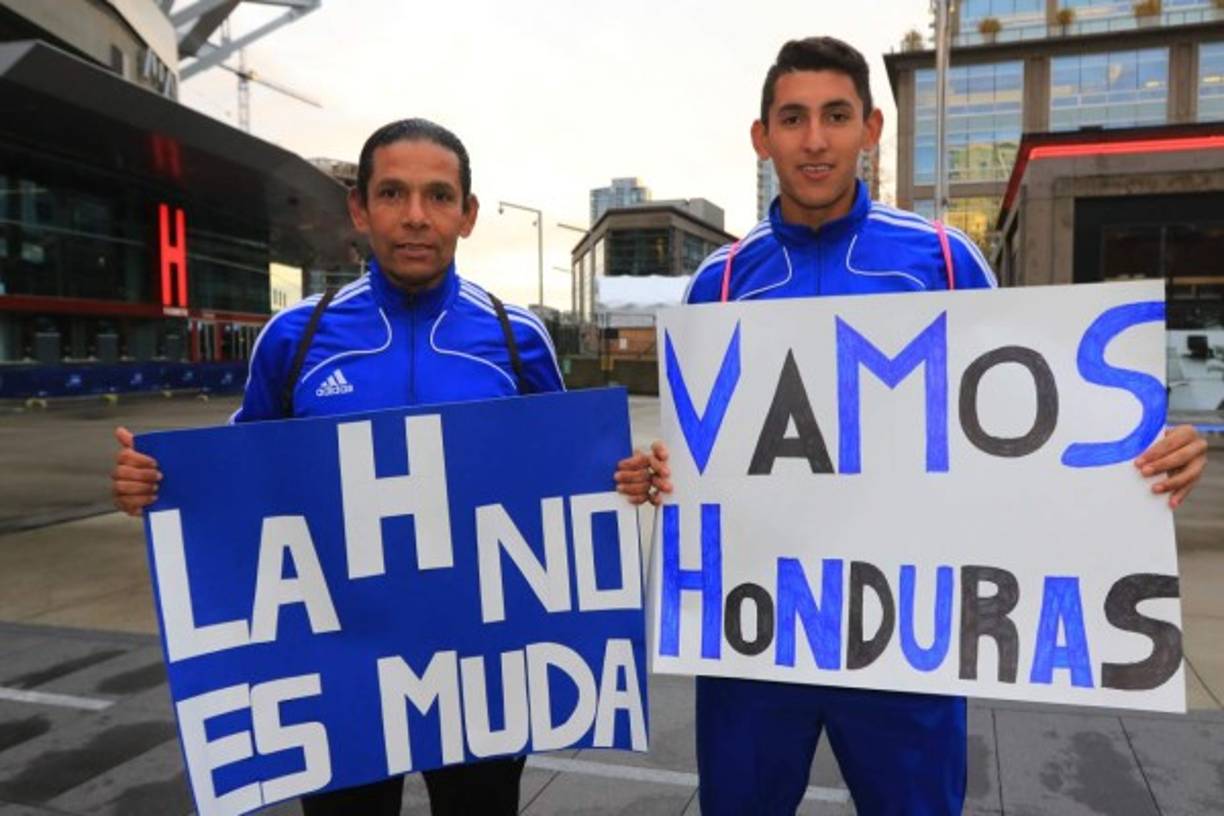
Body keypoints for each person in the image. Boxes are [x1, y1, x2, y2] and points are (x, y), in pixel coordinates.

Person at [614, 37, 1210, 816]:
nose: (815, 139)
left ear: (871, 126)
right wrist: (654, 475)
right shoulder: (719, 281)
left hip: (906, 645)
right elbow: (699, 455)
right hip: (755, 640)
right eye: (793, 119)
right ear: (762, 137)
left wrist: (1140, 459)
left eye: (835, 115)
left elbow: (1023, 426)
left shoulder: (942, 257)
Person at [111, 118, 565, 815]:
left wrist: (628, 478)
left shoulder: (516, 338)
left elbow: (565, 484)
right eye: (392, 193)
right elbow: (243, 477)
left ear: (468, 215)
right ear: (360, 208)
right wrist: (162, 484)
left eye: (439, 196)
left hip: (482, 667)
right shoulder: (297, 339)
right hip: (339, 666)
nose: (415, 217)